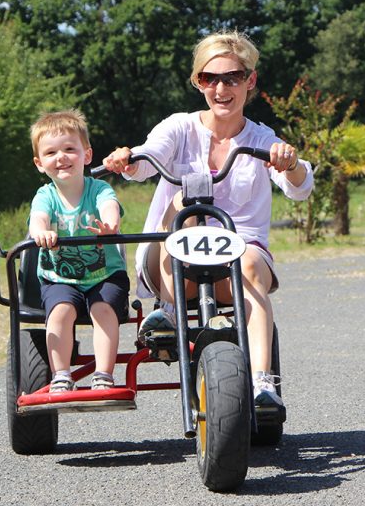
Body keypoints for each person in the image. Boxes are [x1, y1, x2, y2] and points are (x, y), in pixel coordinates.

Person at [102, 31, 314, 409]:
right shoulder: (179, 127)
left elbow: (299, 187)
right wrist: (127, 158)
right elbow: (148, 158)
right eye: (209, 78)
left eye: (231, 77)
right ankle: (167, 313)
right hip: (173, 268)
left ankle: (263, 385)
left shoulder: (262, 138)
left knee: (248, 260)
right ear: (198, 82)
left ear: (250, 81)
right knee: (188, 196)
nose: (220, 88)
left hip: (237, 266)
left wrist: (290, 163)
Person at [29, 109, 130, 393]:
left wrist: (110, 224)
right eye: (51, 153)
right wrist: (41, 232)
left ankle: (103, 374)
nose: (61, 157)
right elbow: (38, 218)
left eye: (69, 149)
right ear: (40, 163)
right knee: (59, 312)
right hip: (59, 277)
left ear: (86, 155)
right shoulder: (45, 196)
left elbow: (109, 206)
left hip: (105, 274)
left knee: (103, 309)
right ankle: (61, 374)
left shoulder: (99, 189)